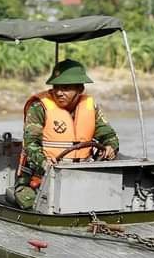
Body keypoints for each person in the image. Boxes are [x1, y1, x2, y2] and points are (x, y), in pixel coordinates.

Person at [13, 60, 120, 209]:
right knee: (35, 206)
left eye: (66, 88)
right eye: (56, 87)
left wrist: (110, 146)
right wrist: (45, 163)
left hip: (81, 176)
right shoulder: (38, 107)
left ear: (80, 89)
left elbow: (108, 134)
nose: (59, 92)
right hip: (40, 179)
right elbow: (31, 145)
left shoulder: (89, 107)